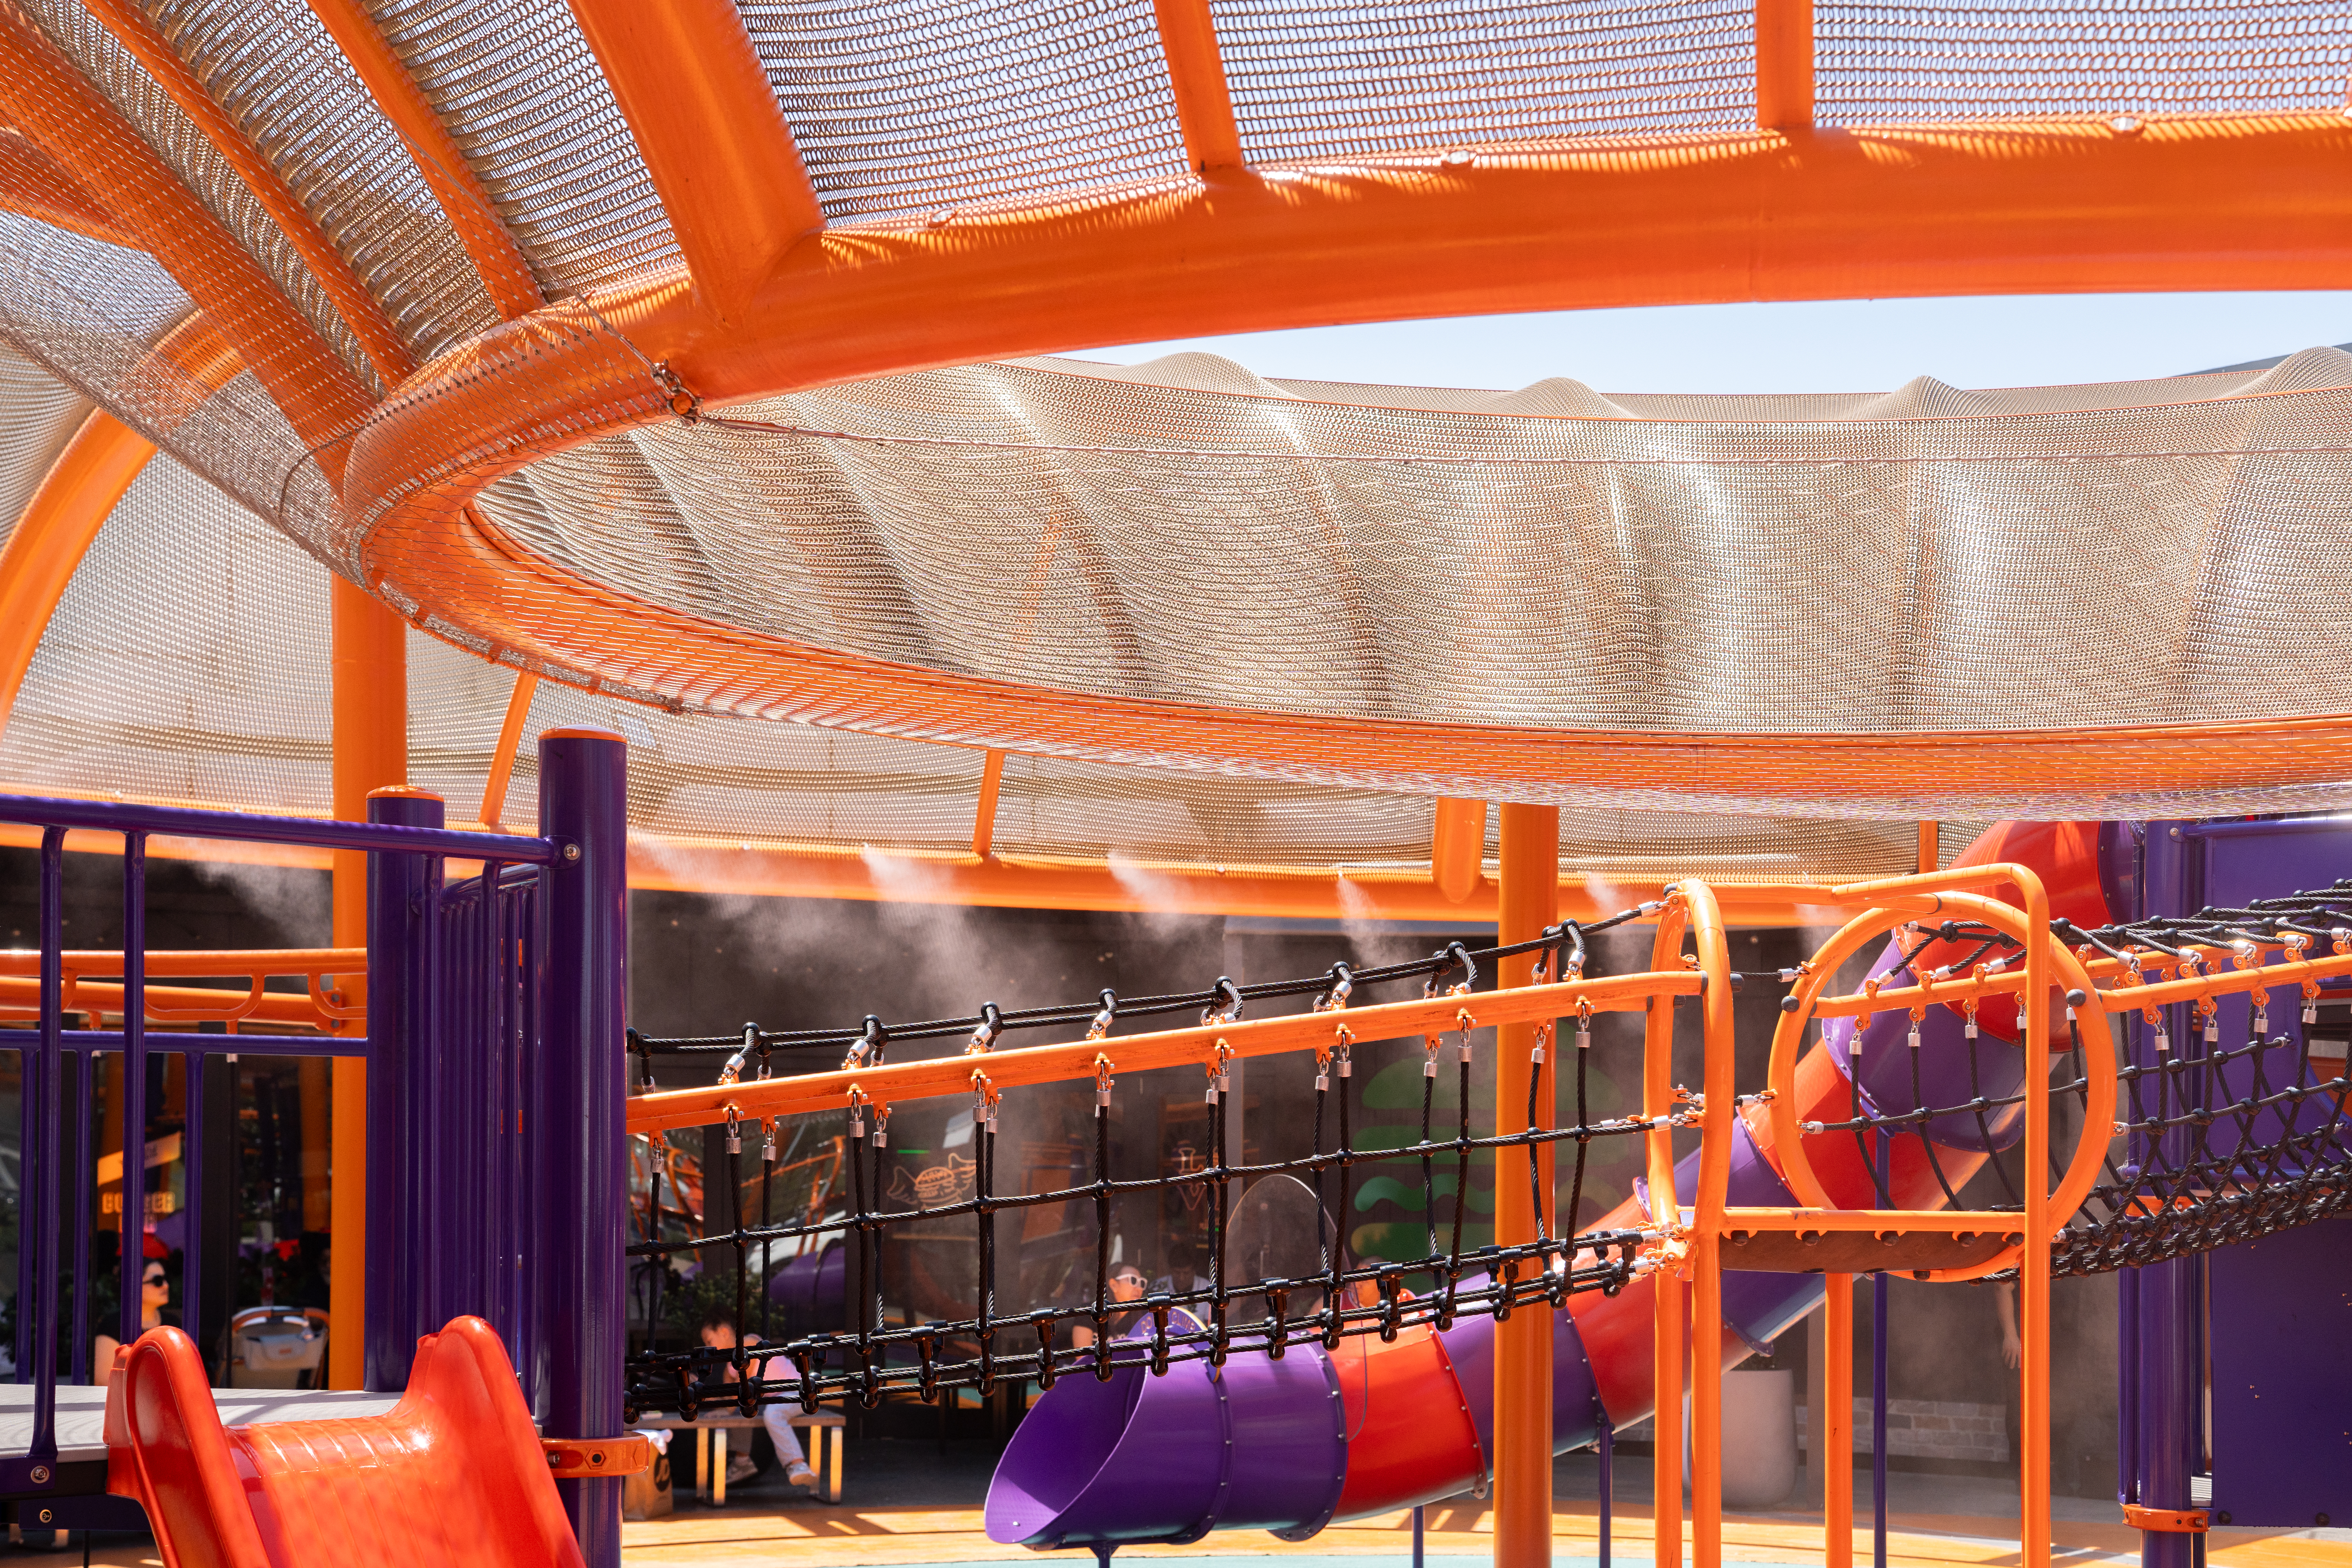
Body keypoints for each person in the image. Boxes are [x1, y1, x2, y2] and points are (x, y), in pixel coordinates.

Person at [700, 1306, 816, 1491]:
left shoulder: (750, 1342)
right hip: (776, 1399)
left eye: (709, 1340)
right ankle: (742, 1463)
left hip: (799, 1391)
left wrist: (725, 1404)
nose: (708, 1347)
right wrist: (699, 1392)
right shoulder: (729, 1369)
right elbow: (731, 1403)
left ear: (723, 1332)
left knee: (773, 1413)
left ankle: (797, 1463)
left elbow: (741, 1389)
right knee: (743, 1411)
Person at [93, 1236, 170, 1375]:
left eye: (166, 1279)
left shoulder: (172, 1324)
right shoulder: (113, 1326)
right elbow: (103, 1381)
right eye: (158, 1281)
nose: (166, 1286)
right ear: (135, 1285)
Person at [1070, 1266, 1147, 1348]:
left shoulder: (1144, 1317)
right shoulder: (1089, 1313)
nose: (1139, 1288)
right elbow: (1084, 1360)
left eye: (1142, 1283)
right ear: (1114, 1285)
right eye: (1133, 1280)